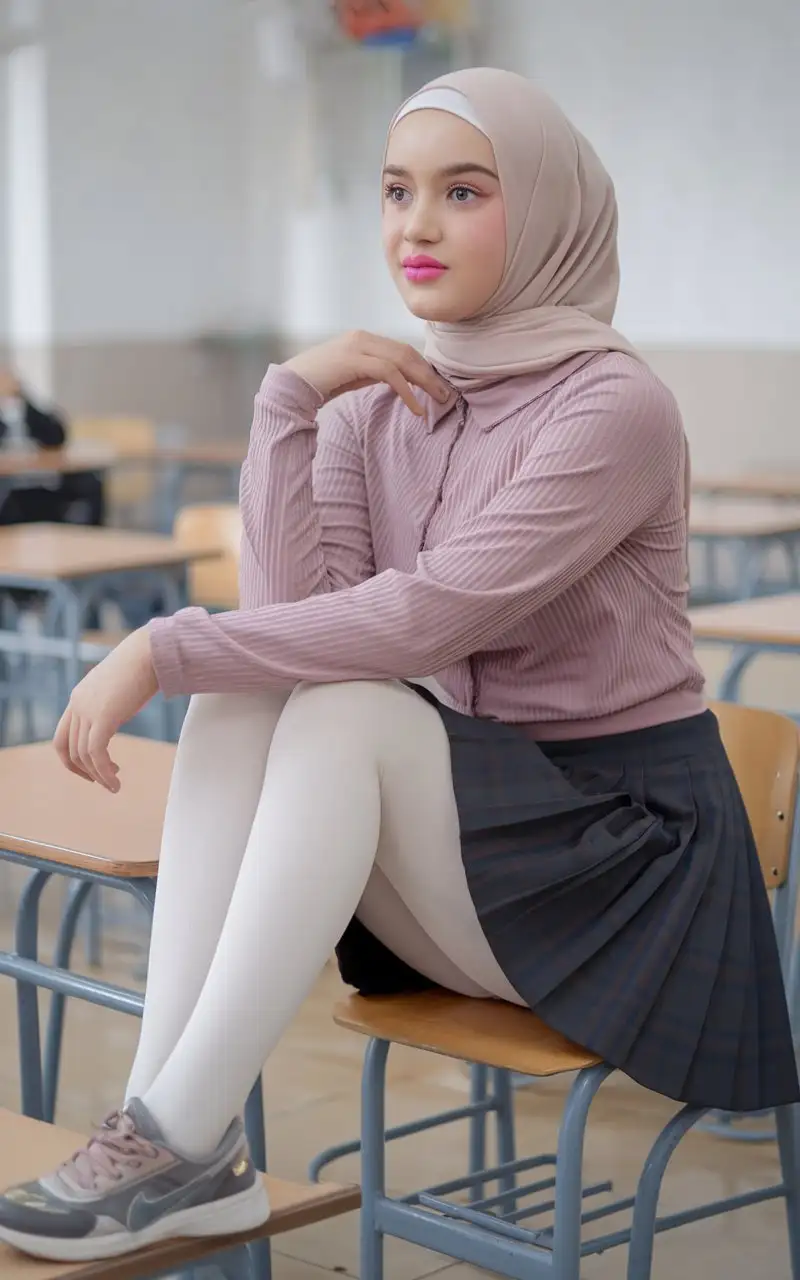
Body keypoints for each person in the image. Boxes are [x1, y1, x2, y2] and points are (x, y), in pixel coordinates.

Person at [0, 67, 796, 1263]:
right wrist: (288, 405)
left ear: (542, 211)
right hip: (480, 852)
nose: (414, 224)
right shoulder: (375, 407)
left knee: (345, 711)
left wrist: (162, 642)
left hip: (626, 872)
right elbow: (289, 628)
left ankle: (170, 1137)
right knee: (267, 694)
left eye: (462, 190)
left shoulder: (613, 405)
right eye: (394, 190)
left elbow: (421, 624)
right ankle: (176, 1135)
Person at [0, 366, 105, 527]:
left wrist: (22, 401)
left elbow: (57, 436)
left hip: (43, 479)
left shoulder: (27, 409)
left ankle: (96, 535)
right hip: (11, 486)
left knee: (92, 482)